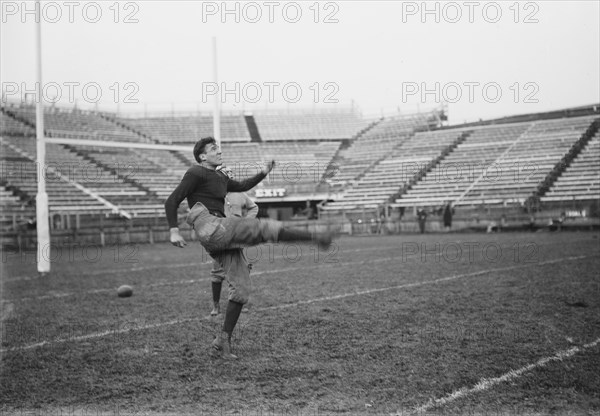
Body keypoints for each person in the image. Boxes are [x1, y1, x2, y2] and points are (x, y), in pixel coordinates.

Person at [165, 137, 333, 360]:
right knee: (263, 227)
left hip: (219, 232)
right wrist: (173, 230)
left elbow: (243, 186)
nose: (219, 151)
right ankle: (315, 237)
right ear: (202, 157)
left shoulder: (220, 177)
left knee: (242, 288)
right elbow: (172, 200)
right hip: (212, 226)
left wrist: (264, 171)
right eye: (213, 149)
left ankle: (222, 342)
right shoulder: (196, 172)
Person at [210, 167, 258, 316]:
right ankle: (216, 305)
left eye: (231, 174)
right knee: (217, 271)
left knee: (241, 267)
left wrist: (246, 222)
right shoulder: (213, 193)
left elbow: (253, 207)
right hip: (219, 235)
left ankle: (240, 301)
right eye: (227, 173)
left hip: (237, 235)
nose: (230, 176)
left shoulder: (240, 193)